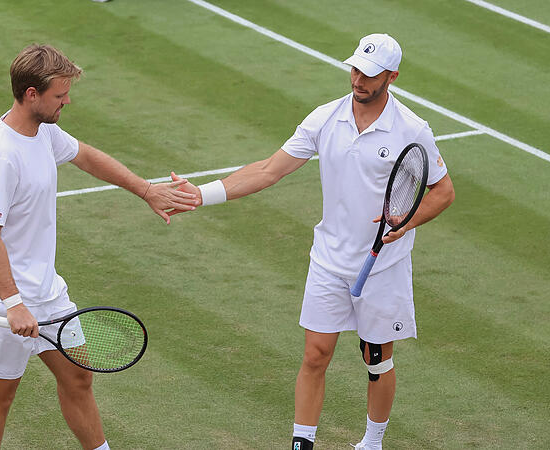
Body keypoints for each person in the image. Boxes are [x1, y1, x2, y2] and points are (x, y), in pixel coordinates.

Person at [170, 34, 455, 449]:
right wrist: (203, 194)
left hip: (383, 266)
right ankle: (302, 443)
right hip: (328, 260)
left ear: (391, 77)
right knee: (315, 355)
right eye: (355, 68)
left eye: (370, 74)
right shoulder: (325, 118)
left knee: (376, 359)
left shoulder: (412, 130)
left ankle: (372, 442)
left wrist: (406, 223)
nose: (358, 79)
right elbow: (269, 169)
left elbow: (443, 191)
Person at [0, 44, 197, 450]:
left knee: (78, 376)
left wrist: (145, 190)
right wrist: (13, 302)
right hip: (3, 298)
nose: (67, 101)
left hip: (47, 291)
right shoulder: (0, 156)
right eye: (60, 94)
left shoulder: (44, 131)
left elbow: (86, 156)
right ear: (32, 94)